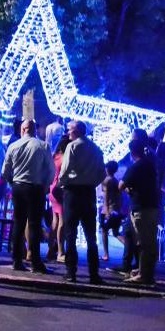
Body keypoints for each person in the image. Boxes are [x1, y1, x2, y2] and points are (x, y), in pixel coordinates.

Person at [2, 119, 54, 273]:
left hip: (18, 186)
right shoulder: (43, 146)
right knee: (34, 224)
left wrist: (13, 183)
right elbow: (51, 170)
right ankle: (35, 261)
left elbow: (5, 171)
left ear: (22, 130)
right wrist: (45, 186)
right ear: (34, 130)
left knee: (18, 223)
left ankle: (16, 260)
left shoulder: (13, 146)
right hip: (36, 187)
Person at [58, 121, 106, 284]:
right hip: (89, 192)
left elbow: (64, 170)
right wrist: (92, 182)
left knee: (71, 233)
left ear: (76, 131)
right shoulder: (95, 148)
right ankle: (94, 273)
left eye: (69, 130)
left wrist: (61, 183)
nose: (67, 133)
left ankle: (71, 272)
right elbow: (102, 173)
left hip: (73, 192)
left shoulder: (73, 147)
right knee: (90, 235)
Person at [120, 138, 163, 285]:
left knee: (143, 242)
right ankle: (146, 271)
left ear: (132, 152)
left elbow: (121, 185)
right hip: (152, 206)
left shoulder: (136, 167)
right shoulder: (150, 165)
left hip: (140, 207)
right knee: (150, 241)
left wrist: (128, 189)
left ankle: (144, 274)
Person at [99, 161, 123, 262]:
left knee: (104, 231)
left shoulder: (106, 181)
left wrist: (107, 212)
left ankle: (106, 254)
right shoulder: (115, 180)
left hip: (108, 210)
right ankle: (132, 250)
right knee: (116, 233)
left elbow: (106, 197)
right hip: (116, 209)